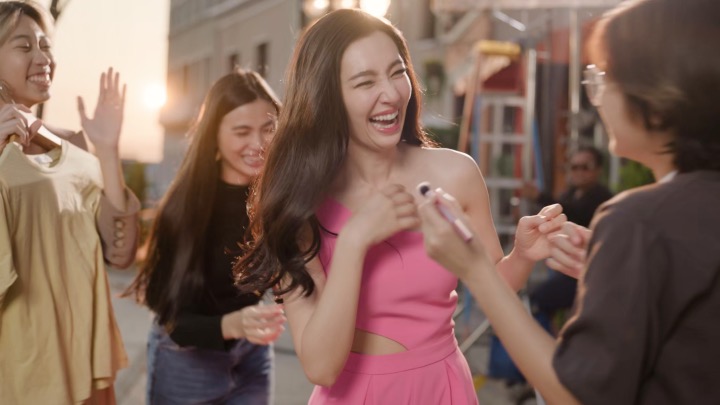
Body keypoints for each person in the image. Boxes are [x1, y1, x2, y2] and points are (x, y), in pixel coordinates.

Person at [234, 9, 564, 404]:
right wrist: (355, 240)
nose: (390, 94)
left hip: (444, 389)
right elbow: (320, 367)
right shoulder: (299, 204)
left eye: (397, 72)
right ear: (327, 96)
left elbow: (490, 288)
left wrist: (523, 256)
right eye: (365, 82)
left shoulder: (457, 174)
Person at [418, 0, 720, 403]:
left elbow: (574, 395)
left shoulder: (637, 221)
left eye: (604, 76)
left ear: (657, 96)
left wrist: (475, 269)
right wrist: (612, 269)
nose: (598, 96)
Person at [0, 1, 140, 404]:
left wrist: (108, 151)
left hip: (85, 364)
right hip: (20, 375)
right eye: (24, 46)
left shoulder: (73, 144)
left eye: (46, 45)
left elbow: (120, 253)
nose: (43, 57)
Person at [124, 69, 286, 405]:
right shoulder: (183, 210)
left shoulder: (278, 204)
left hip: (252, 355)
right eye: (242, 131)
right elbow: (172, 320)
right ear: (214, 135)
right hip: (186, 360)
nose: (259, 143)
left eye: (268, 128)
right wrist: (233, 324)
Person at [523, 146, 613, 324]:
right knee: (536, 301)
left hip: (589, 272)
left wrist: (540, 197)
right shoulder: (570, 194)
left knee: (539, 300)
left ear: (598, 170)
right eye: (574, 167)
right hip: (566, 267)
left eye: (585, 167)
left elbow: (574, 213)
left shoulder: (602, 197)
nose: (579, 172)